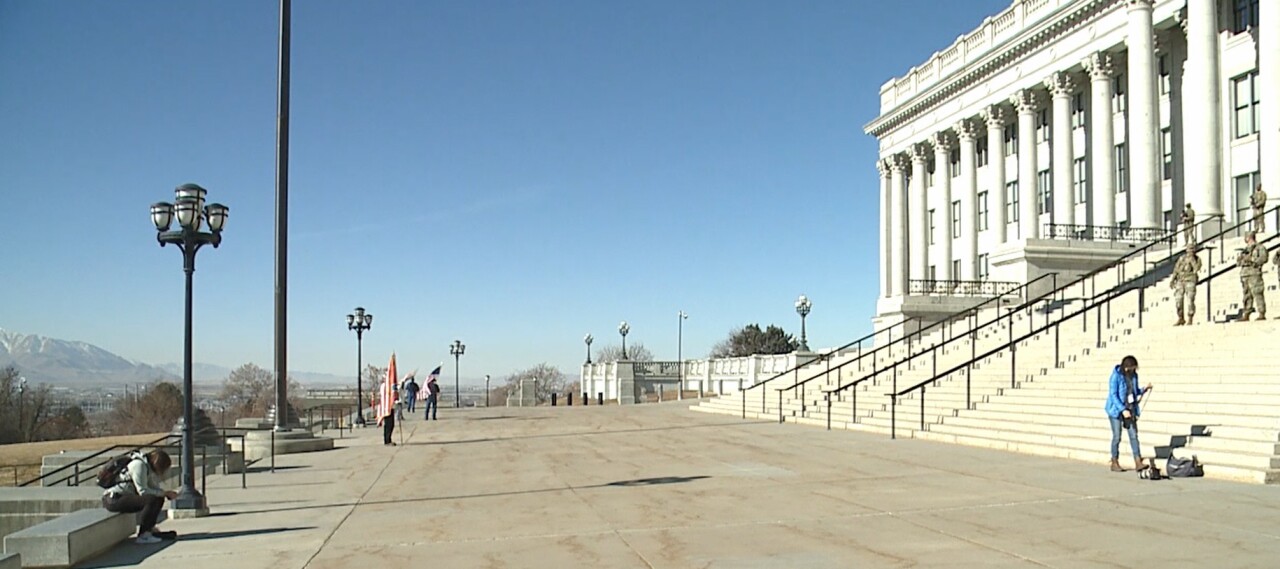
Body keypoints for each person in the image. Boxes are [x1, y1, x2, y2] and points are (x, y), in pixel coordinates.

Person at [102, 449, 178, 544]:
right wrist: (164, 493)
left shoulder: (146, 467)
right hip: (113, 499)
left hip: (122, 497)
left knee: (158, 498)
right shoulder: (139, 465)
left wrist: (165, 493)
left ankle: (149, 528)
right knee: (151, 500)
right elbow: (143, 491)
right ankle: (144, 535)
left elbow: (152, 487)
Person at [1104, 356, 1153, 473]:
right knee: (1117, 436)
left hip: (1130, 408)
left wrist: (1144, 389)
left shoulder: (1134, 376)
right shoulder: (1115, 376)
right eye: (1132, 368)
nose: (1133, 370)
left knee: (1133, 435)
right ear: (1126, 367)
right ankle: (1114, 461)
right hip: (1116, 410)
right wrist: (1122, 410)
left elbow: (1134, 391)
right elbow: (1113, 395)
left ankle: (1138, 461)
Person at [1237, 231, 1267, 321]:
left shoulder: (1259, 247)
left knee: (1257, 293)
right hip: (1245, 274)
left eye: (1246, 237)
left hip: (1254, 273)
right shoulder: (1245, 249)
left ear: (1249, 237)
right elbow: (1238, 262)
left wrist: (1252, 260)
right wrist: (1241, 259)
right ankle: (1246, 313)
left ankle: (1261, 313)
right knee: (1246, 295)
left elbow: (1263, 258)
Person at [1170, 244, 1201, 326]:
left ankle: (1190, 317)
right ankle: (1181, 318)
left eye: (1192, 249)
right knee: (1178, 300)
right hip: (1180, 280)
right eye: (1189, 249)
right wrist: (1172, 279)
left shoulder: (1197, 259)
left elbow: (1197, 268)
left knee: (1190, 300)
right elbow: (1176, 269)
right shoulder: (1182, 258)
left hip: (1190, 280)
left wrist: (1192, 261)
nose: (1190, 251)